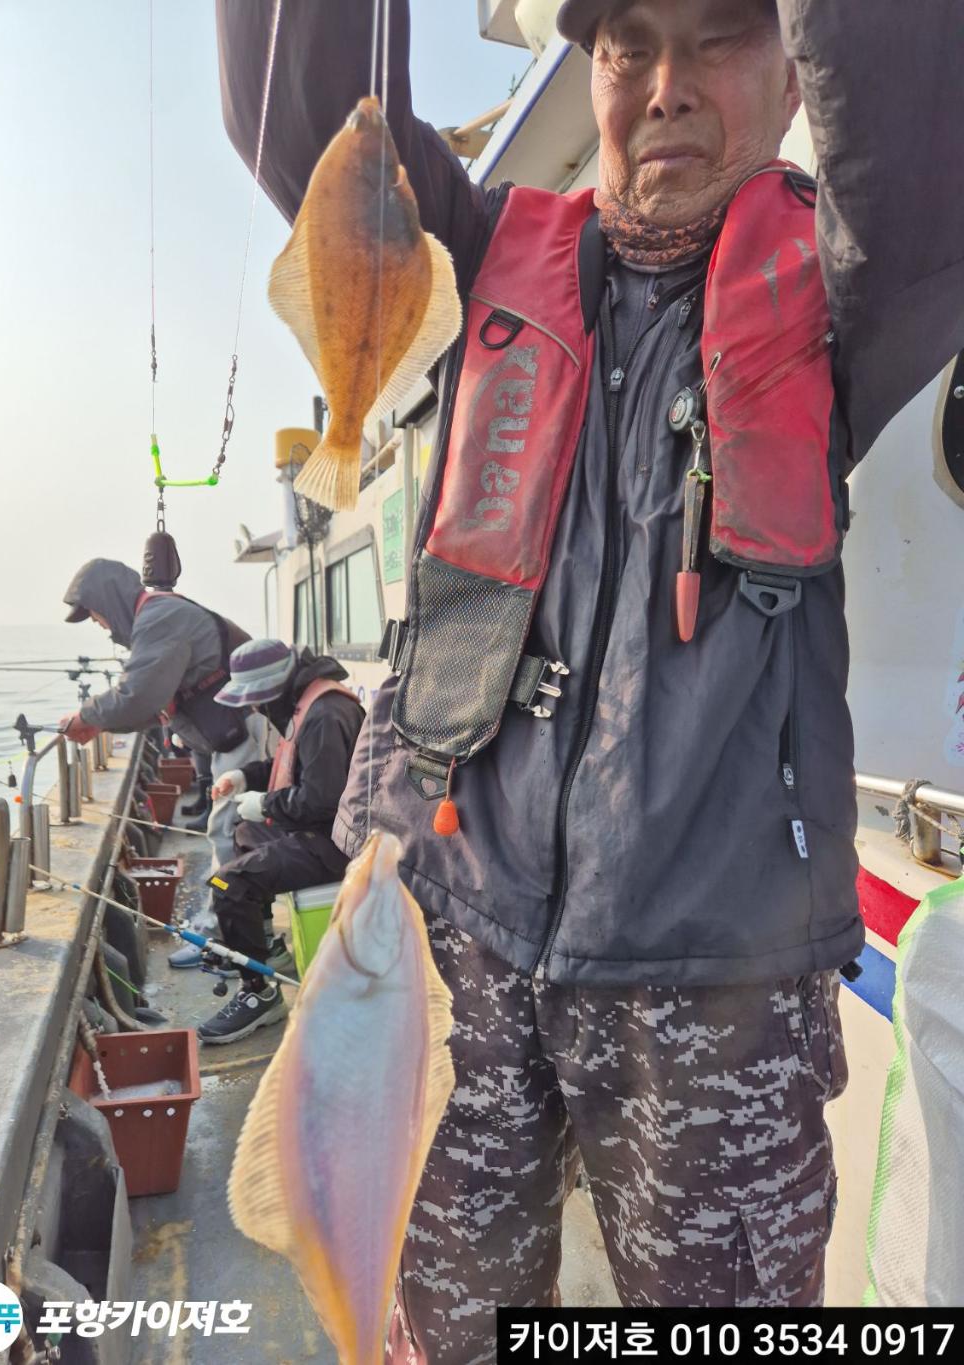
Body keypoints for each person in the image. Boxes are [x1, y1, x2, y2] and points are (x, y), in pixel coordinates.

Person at [217, 0, 964, 1344]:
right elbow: (305, 112)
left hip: (718, 988)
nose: (664, 87)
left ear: (795, 63)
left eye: (721, 37)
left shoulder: (857, 278)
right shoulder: (484, 250)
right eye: (626, 46)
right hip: (453, 946)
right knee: (432, 1325)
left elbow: (912, 99)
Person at [195, 639, 363, 1045]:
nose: (253, 708)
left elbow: (321, 799)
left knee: (228, 883)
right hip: (322, 830)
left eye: (255, 700)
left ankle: (260, 993)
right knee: (244, 831)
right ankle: (267, 946)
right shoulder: (310, 701)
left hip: (341, 843)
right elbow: (295, 764)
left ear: (273, 687)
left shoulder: (326, 714)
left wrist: (266, 803)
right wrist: (245, 778)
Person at [60, 558, 264, 870]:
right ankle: (236, 907)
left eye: (94, 615)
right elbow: (155, 702)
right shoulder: (159, 614)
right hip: (235, 726)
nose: (99, 624)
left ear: (108, 601)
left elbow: (137, 695)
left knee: (227, 830)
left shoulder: (158, 619)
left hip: (244, 727)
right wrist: (100, 725)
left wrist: (87, 715)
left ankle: (229, 910)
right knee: (233, 827)